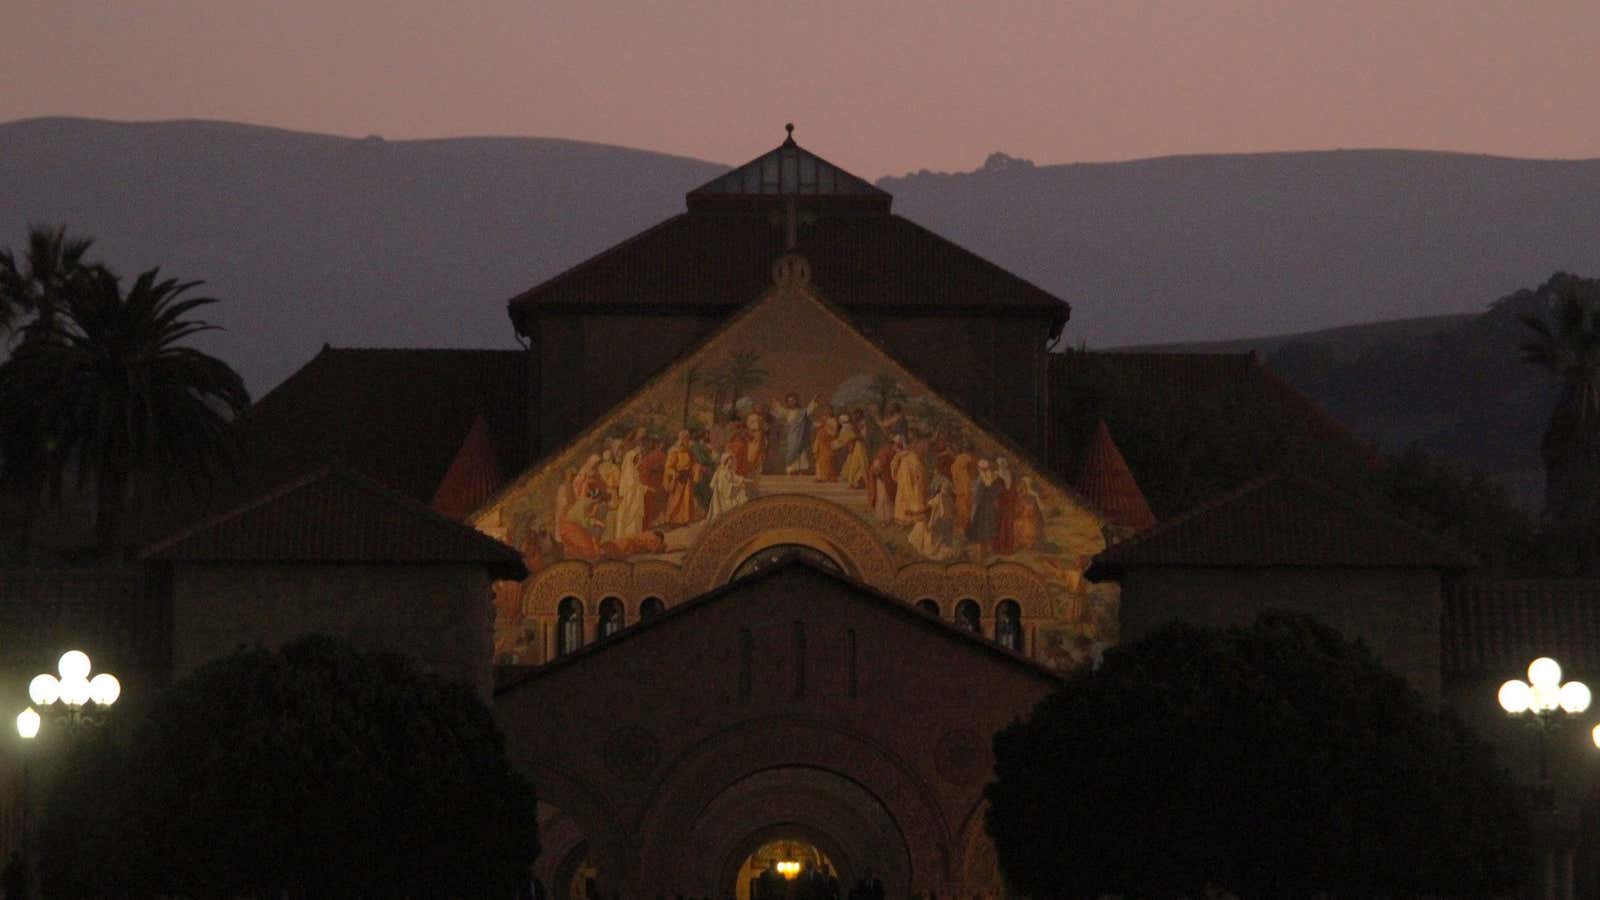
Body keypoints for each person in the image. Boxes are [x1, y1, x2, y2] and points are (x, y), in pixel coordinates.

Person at [771, 392, 817, 474]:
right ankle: (791, 469)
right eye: (789, 401)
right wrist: (775, 402)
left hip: (800, 435)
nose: (791, 402)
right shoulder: (786, 412)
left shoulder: (801, 412)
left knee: (800, 451)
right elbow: (779, 411)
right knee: (791, 450)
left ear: (796, 401)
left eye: (793, 400)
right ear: (787, 402)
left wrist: (814, 401)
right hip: (790, 435)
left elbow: (808, 411)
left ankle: (800, 469)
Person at [835, 413, 868, 488]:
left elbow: (862, 437)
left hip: (862, 446)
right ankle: (852, 483)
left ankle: (867, 483)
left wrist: (854, 435)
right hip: (857, 446)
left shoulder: (864, 424)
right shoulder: (856, 425)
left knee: (863, 465)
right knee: (854, 465)